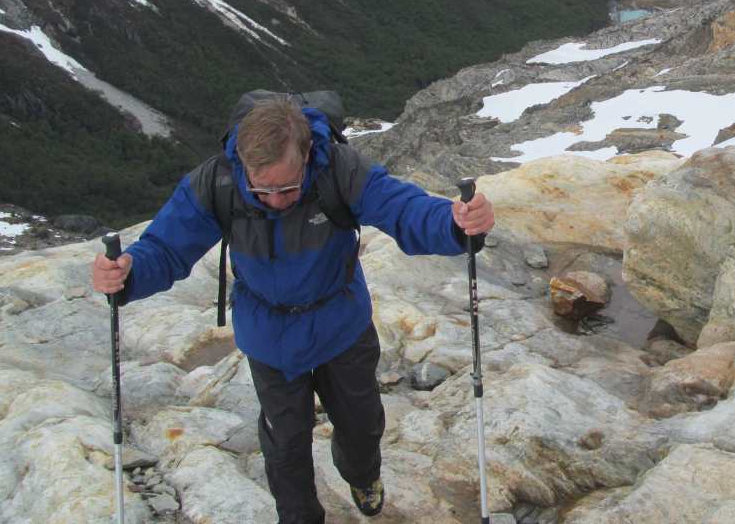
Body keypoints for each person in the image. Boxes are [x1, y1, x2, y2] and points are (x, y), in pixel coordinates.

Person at [91, 95, 494, 523]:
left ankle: (361, 475)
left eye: (287, 187)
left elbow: (403, 208)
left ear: (306, 154)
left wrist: (454, 223)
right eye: (261, 189)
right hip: (270, 339)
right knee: (285, 447)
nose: (275, 200)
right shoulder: (218, 183)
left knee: (362, 429)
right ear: (243, 163)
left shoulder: (339, 168)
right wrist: (128, 273)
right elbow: (166, 247)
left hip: (341, 328)